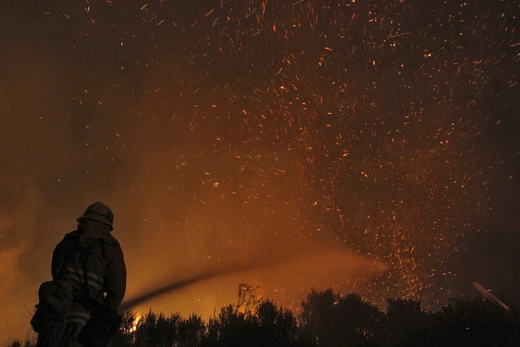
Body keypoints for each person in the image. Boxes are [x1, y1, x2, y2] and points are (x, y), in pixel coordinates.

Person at [36, 201, 127, 347]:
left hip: (54, 315)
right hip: (84, 321)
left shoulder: (67, 242)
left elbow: (56, 273)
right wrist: (104, 315)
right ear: (107, 226)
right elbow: (116, 291)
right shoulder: (111, 248)